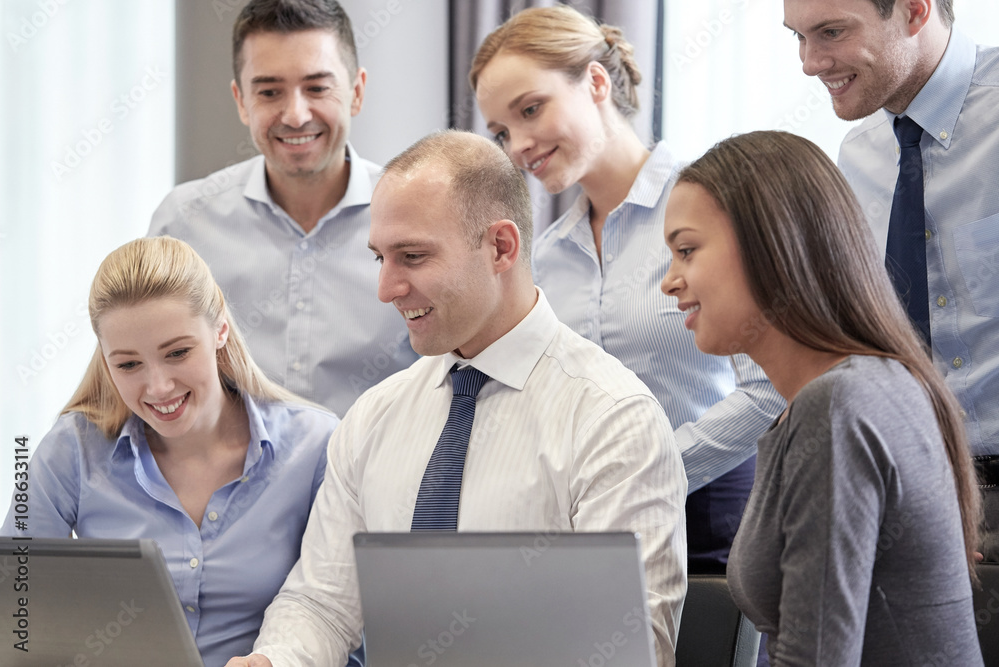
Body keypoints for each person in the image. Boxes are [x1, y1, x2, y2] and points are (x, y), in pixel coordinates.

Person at [223, 130, 687, 667]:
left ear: (501, 247)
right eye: (381, 258)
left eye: (413, 257)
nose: (386, 288)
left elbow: (630, 652)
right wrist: (276, 660)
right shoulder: (376, 415)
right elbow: (323, 603)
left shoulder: (613, 419)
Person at [470, 5, 785, 573]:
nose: (517, 146)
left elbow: (771, 390)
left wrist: (649, 471)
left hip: (711, 523)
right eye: (500, 131)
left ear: (595, 82)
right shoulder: (544, 257)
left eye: (530, 110)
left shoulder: (714, 206)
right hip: (585, 534)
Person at [661, 130, 983, 665]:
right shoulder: (856, 388)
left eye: (687, 250)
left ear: (773, 242)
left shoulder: (837, 405)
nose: (670, 281)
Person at [0, 237, 349, 667]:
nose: (158, 387)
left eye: (178, 353)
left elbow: (340, 612)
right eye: (128, 364)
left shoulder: (315, 444)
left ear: (220, 328)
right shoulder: (71, 447)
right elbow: (14, 608)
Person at [784, 0, 999, 561]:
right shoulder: (859, 157)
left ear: (914, 10)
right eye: (798, 38)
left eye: (830, 32)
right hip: (922, 491)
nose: (810, 62)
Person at [149, 0, 417, 419]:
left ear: (357, 92)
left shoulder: (419, 216)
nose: (295, 115)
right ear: (241, 100)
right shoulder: (184, 221)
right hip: (230, 483)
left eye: (317, 88)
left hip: (383, 479)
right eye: (270, 91)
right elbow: (146, 371)